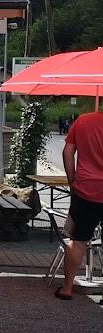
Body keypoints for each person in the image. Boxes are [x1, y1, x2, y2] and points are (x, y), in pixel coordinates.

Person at [56, 110, 103, 299]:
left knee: (78, 241)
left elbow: (67, 152)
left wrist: (72, 181)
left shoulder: (84, 120)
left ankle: (67, 288)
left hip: (85, 190)